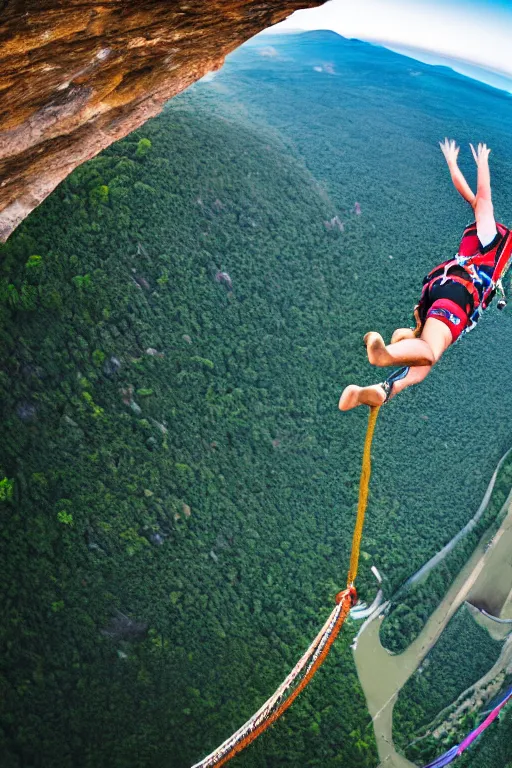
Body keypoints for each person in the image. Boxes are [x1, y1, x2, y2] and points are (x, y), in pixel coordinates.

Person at [339, 139, 512, 411]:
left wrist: (453, 164)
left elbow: (471, 197)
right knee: (429, 352)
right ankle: (385, 353)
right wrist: (483, 164)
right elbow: (484, 198)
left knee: (420, 369)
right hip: (456, 297)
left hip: (439, 292)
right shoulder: (491, 237)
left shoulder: (477, 234)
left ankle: (377, 392)